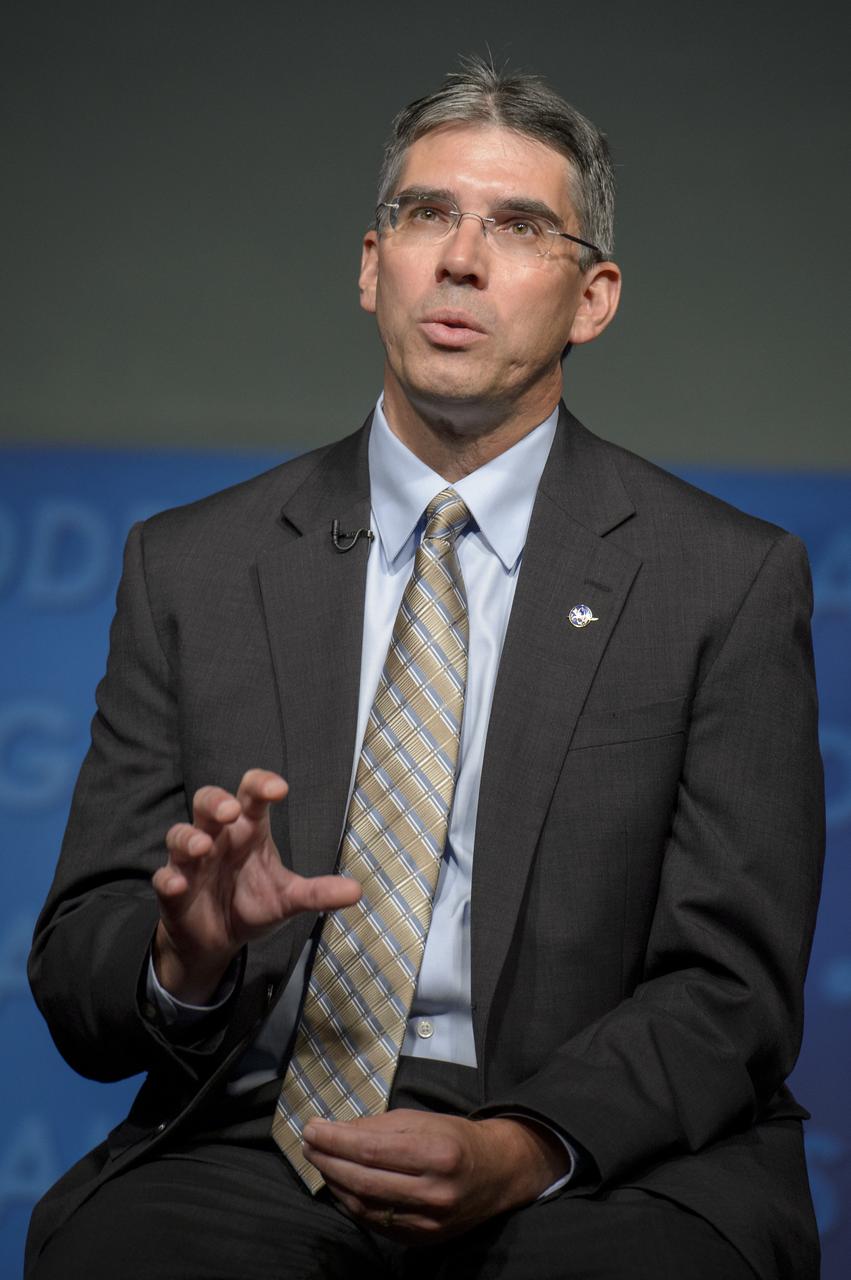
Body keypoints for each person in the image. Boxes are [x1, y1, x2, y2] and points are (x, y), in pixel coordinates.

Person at [26, 58, 824, 1280]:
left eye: (517, 227)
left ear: (593, 296)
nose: (460, 258)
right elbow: (80, 965)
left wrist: (516, 1146)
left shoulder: (724, 578)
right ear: (369, 266)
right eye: (424, 215)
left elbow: (730, 989)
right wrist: (182, 956)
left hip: (600, 1156)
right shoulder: (191, 564)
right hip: (260, 1131)